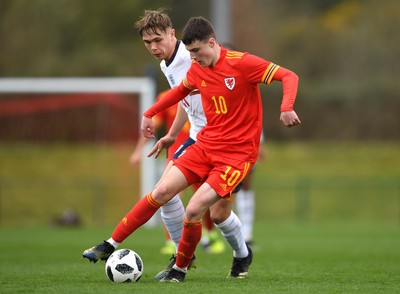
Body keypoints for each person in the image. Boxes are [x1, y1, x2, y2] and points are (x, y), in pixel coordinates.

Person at [83, 15, 300, 282]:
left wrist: (286, 106)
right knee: (164, 192)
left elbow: (288, 75)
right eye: (147, 42)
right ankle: (112, 245)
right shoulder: (191, 66)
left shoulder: (240, 63)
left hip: (236, 155)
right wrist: (152, 116)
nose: (193, 57)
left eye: (196, 51)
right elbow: (180, 95)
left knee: (207, 211)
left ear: (210, 42)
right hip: (204, 143)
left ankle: (189, 266)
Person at [129, 90, 225, 255]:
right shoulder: (165, 97)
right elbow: (153, 127)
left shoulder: (205, 89)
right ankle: (172, 242)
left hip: (203, 152)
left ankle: (210, 235)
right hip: (178, 154)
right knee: (169, 196)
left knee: (205, 199)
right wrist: (138, 151)